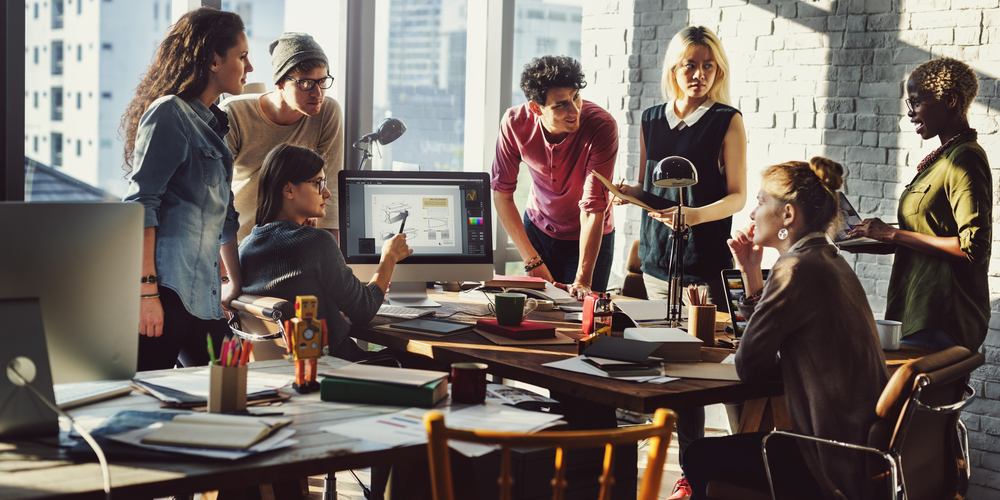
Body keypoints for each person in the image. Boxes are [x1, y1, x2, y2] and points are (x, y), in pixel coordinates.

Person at [684, 157, 890, 500]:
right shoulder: (829, 259)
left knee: (698, 455)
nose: (752, 213)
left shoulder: (794, 268)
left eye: (761, 201)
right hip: (860, 449)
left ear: (788, 215)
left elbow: (748, 365)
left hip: (827, 459)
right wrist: (752, 274)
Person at [613, 26, 746, 498]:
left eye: (709, 65)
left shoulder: (726, 120)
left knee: (704, 366)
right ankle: (688, 474)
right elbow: (656, 193)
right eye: (690, 64)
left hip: (703, 259)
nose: (699, 74)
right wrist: (631, 195)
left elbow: (736, 198)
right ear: (674, 68)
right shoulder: (651, 118)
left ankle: (724, 468)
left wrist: (692, 215)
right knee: (669, 368)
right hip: (655, 258)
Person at [121, 7, 252, 371]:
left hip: (205, 297)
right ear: (214, 59)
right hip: (166, 293)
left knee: (234, 383)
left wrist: (235, 286)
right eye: (242, 57)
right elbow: (141, 204)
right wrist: (146, 293)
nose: (250, 67)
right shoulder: (170, 114)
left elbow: (226, 220)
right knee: (146, 403)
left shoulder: (216, 128)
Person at [848, 57, 991, 352]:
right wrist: (873, 235)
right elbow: (930, 232)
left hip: (939, 317)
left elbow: (972, 247)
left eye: (916, 103)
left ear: (949, 99)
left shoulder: (965, 158)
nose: (911, 114)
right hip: (916, 312)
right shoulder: (943, 159)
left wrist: (893, 235)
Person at [239, 144, 412, 361]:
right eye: (319, 183)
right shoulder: (316, 242)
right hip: (339, 371)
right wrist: (388, 258)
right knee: (429, 361)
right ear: (289, 189)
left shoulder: (246, 246)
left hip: (288, 375)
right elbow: (364, 310)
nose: (327, 193)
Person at [491, 55, 618, 297]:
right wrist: (532, 261)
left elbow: (593, 207)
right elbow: (502, 195)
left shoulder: (602, 126)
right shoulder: (514, 123)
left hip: (588, 236)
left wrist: (582, 280)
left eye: (576, 97)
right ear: (536, 108)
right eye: (561, 104)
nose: (574, 110)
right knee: (537, 313)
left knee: (583, 317)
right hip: (538, 229)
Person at [221, 32, 344, 244]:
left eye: (322, 81)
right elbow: (218, 196)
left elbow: (329, 186)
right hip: (240, 242)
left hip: (295, 244)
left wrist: (331, 258)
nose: (317, 94)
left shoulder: (328, 112)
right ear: (280, 83)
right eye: (305, 83)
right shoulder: (234, 114)